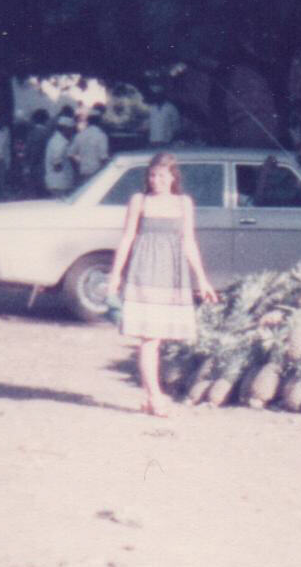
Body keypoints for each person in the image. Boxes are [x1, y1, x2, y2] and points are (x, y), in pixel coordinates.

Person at [108, 152, 220, 417]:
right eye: (152, 174)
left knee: (156, 339)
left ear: (172, 177)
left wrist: (202, 279)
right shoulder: (139, 201)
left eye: (161, 175)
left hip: (172, 275)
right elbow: (127, 239)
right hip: (144, 273)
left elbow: (189, 242)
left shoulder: (184, 203)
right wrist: (115, 275)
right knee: (150, 338)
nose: (156, 180)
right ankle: (155, 398)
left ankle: (150, 398)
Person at [68, 108, 109, 185]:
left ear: (88, 121)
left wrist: (77, 167)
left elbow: (70, 154)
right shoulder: (101, 136)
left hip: (83, 173)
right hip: (97, 174)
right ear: (99, 121)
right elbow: (103, 157)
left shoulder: (80, 135)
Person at [45, 116, 77, 196]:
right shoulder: (59, 142)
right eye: (71, 130)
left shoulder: (57, 139)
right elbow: (56, 164)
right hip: (59, 183)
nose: (72, 132)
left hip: (58, 183)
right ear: (65, 129)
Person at [23, 109, 52, 197]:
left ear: (35, 119)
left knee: (36, 193)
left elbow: (34, 151)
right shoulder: (48, 132)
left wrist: (28, 166)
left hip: (37, 167)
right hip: (45, 166)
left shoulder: (37, 132)